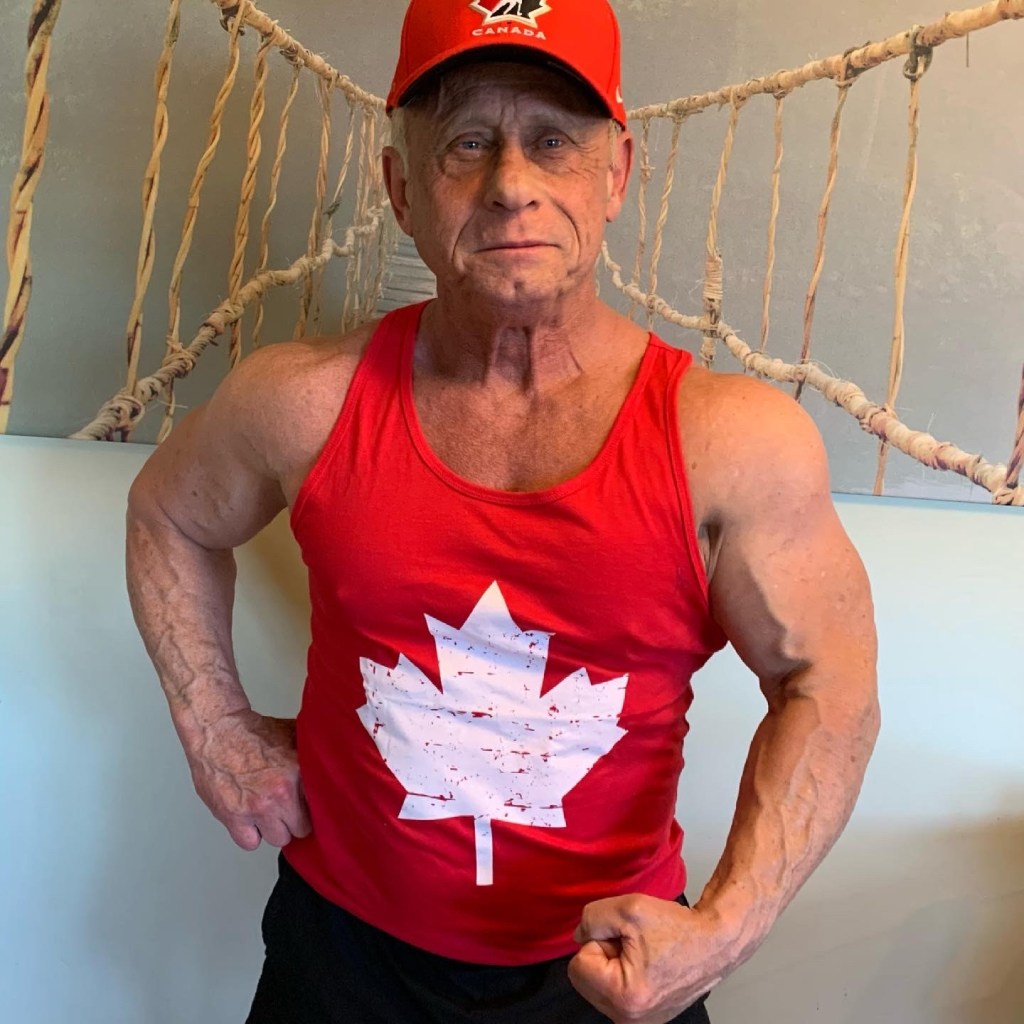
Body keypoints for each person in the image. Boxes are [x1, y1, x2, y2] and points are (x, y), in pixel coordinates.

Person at [125, 0, 879, 1021]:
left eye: (553, 141)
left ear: (616, 175)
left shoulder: (732, 440)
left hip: (610, 965)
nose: (512, 184)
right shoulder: (301, 400)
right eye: (467, 144)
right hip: (341, 954)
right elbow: (167, 517)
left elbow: (827, 684)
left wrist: (726, 927)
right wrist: (214, 726)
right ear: (402, 189)